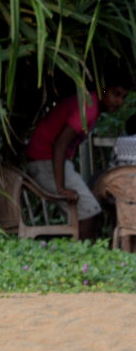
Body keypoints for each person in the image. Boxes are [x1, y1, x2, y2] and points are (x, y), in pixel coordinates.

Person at [24, 81, 130, 238]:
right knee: (90, 211)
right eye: (116, 94)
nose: (120, 102)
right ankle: (85, 257)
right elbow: (60, 144)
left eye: (123, 97)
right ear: (102, 90)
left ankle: (80, 252)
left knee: (86, 211)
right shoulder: (89, 108)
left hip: (46, 159)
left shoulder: (90, 103)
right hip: (44, 160)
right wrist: (61, 188)